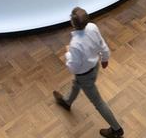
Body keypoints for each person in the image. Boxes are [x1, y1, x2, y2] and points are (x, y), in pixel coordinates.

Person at [53, 7, 124, 138]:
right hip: (94, 67)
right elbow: (103, 46)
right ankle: (67, 102)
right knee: (76, 83)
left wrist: (68, 54)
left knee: (98, 103)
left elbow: (74, 68)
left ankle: (116, 129)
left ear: (72, 23)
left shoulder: (75, 44)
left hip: (84, 75)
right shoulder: (92, 27)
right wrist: (105, 59)